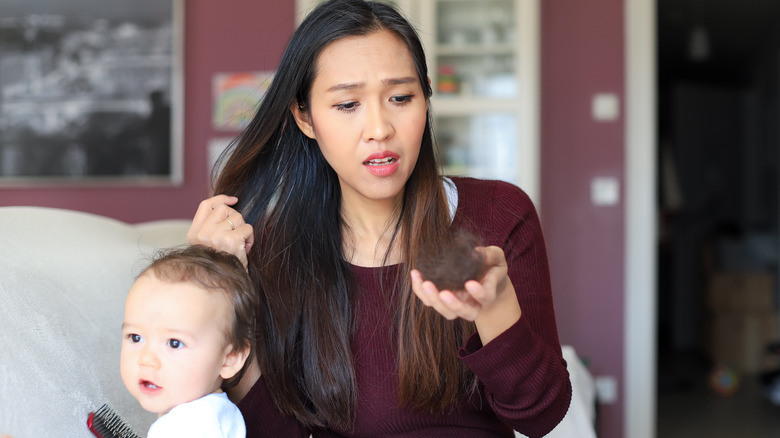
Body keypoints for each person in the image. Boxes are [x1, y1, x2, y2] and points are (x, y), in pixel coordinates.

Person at [187, 0, 572, 437]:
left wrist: (495, 305)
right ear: (304, 117)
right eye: (348, 104)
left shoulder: (499, 215)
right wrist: (212, 287)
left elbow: (542, 416)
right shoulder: (272, 250)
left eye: (400, 98)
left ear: (426, 97)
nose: (379, 128)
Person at [120, 245, 256, 437]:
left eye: (174, 343)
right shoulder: (213, 415)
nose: (146, 359)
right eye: (136, 337)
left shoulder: (187, 427)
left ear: (230, 359)